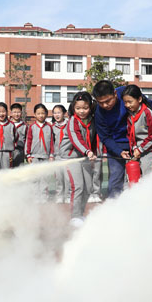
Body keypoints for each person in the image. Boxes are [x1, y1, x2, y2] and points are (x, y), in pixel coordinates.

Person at [92, 80, 152, 198]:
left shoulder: (125, 93)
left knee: (141, 177)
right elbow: (105, 137)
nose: (105, 105)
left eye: (108, 101)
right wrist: (119, 151)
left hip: (138, 142)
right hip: (117, 146)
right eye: (101, 103)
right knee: (115, 179)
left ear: (115, 94)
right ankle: (114, 208)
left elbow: (145, 101)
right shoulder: (99, 113)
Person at [62, 91, 97, 227]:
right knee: (78, 187)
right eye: (78, 108)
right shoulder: (72, 121)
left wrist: (93, 153)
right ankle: (74, 216)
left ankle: (80, 214)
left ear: (90, 107)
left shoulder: (92, 121)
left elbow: (93, 139)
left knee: (88, 187)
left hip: (85, 157)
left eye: (85, 108)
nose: (81, 111)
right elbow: (76, 139)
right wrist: (88, 151)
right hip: (70, 158)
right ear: (73, 108)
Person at [121, 84, 152, 175]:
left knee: (149, 179)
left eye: (130, 102)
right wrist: (135, 147)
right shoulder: (130, 115)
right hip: (138, 151)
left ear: (139, 99)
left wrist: (140, 149)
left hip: (150, 151)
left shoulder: (148, 113)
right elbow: (131, 135)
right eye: (125, 102)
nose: (127, 105)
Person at [26, 103, 54, 200]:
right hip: (34, 156)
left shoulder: (49, 127)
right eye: (38, 113)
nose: (41, 115)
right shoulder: (31, 127)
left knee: (44, 178)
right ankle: (35, 197)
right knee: (35, 177)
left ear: (46, 114)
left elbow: (51, 142)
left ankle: (44, 197)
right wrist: (28, 155)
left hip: (46, 156)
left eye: (43, 113)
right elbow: (28, 140)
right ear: (34, 114)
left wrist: (51, 155)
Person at [51, 104, 69, 203]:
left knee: (68, 178)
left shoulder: (69, 125)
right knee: (58, 177)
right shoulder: (52, 127)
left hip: (67, 156)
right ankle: (59, 196)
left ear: (64, 113)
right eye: (54, 113)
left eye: (59, 112)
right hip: (57, 155)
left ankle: (67, 196)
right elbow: (51, 142)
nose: (56, 115)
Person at [10, 103, 27, 168]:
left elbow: (27, 140)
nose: (16, 114)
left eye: (18, 112)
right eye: (14, 112)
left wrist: (26, 153)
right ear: (11, 113)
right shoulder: (8, 124)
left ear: (21, 113)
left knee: (19, 171)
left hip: (20, 151)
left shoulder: (25, 126)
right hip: (9, 151)